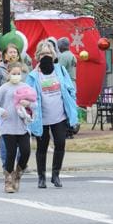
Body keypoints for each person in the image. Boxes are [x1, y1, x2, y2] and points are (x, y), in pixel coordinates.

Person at [26, 39, 78, 189]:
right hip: (42, 117)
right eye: (42, 54)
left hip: (59, 115)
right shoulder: (33, 75)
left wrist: (72, 105)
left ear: (53, 55)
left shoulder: (60, 70)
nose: (46, 56)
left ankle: (56, 175)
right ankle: (41, 177)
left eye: (48, 53)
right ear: (38, 56)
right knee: (42, 147)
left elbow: (70, 88)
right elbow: (28, 94)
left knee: (60, 143)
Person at [0, 62, 33, 193]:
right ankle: (8, 181)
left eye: (18, 74)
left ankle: (18, 174)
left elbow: (34, 103)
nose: (16, 76)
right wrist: (0, 111)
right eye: (14, 74)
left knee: (26, 151)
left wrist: (28, 104)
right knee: (11, 153)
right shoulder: (4, 88)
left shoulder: (25, 87)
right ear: (8, 74)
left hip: (22, 126)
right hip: (8, 126)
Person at [0, 42, 27, 168]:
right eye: (10, 52)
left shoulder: (24, 69)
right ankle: (7, 163)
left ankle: (21, 164)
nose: (13, 54)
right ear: (5, 55)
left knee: (22, 136)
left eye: (15, 52)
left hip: (21, 108)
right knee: (6, 137)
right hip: (4, 108)